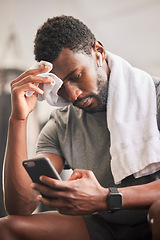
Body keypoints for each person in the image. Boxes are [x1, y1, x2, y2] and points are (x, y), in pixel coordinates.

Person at [0, 15, 160, 240]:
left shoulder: (155, 95)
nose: (73, 94)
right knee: (8, 228)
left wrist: (106, 197)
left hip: (151, 217)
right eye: (60, 87)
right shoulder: (62, 123)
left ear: (98, 52)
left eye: (76, 76)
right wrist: (18, 119)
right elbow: (20, 207)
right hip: (104, 226)